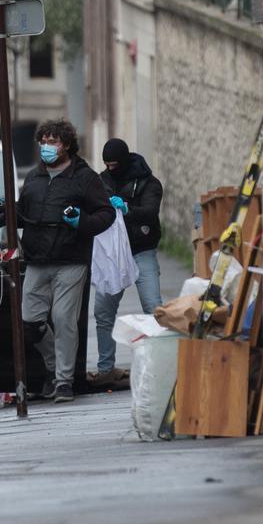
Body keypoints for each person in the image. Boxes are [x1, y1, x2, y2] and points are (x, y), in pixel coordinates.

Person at [0, 119, 115, 403]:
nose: (47, 147)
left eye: (53, 142)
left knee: (63, 319)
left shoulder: (85, 178)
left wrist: (80, 222)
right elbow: (25, 212)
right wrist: (7, 213)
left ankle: (63, 381)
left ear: (67, 145)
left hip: (71, 260)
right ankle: (52, 366)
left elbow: (105, 214)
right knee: (29, 321)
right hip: (36, 260)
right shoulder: (34, 178)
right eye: (43, 142)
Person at [93, 138, 164, 382]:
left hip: (141, 250)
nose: (110, 168)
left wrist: (126, 208)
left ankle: (160, 364)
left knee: (154, 308)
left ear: (123, 162)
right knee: (103, 311)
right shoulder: (102, 181)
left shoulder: (148, 182)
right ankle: (105, 369)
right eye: (106, 164)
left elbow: (150, 212)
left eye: (114, 164)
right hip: (113, 255)